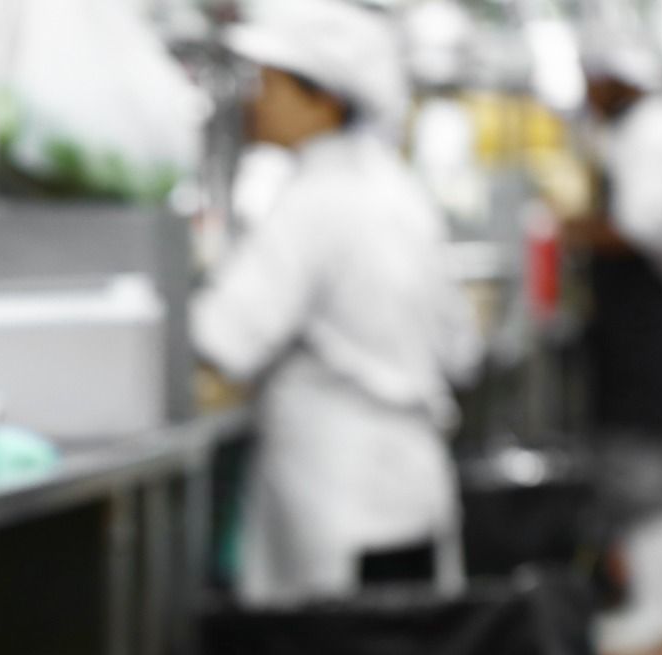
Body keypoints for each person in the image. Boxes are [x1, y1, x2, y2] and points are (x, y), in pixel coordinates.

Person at [194, 0, 482, 606]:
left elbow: (225, 337)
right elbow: (461, 346)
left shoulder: (313, 201)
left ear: (322, 98)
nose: (254, 102)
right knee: (405, 642)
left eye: (270, 85)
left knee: (341, 648)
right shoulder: (400, 189)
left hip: (336, 483)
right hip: (413, 477)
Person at [570, 33, 662, 655]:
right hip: (643, 319)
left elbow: (644, 226)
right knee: (658, 459)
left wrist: (573, 231)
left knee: (643, 458)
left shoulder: (653, 131)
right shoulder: (638, 128)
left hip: (644, 321)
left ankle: (661, 606)